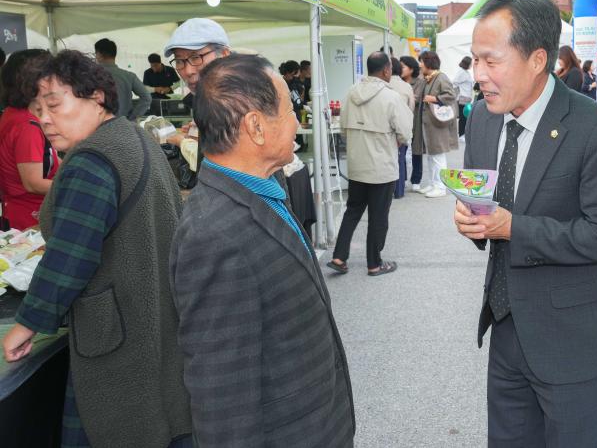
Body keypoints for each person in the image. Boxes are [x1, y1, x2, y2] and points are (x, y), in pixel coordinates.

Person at [454, 0, 597, 447]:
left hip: (576, 340)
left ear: (538, 59)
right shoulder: (481, 118)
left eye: (491, 62)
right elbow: (483, 202)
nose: (479, 76)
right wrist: (473, 221)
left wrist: (512, 227)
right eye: (474, 61)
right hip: (507, 326)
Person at [3, 50, 192, 447]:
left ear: (97, 98)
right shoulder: (131, 137)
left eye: (55, 104)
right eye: (38, 109)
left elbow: (70, 257)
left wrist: (28, 323)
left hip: (120, 327)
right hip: (152, 310)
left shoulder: (92, 160)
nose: (45, 118)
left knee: (118, 425)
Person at [170, 54, 353, 447]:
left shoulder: (265, 188)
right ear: (255, 126)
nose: (295, 121)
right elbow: (221, 395)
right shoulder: (213, 234)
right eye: (289, 109)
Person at [326, 52, 412, 276]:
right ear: (385, 70)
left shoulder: (351, 92)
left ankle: (339, 256)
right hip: (382, 167)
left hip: (357, 164)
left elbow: (343, 129)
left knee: (352, 211)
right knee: (378, 215)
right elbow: (405, 132)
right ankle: (374, 263)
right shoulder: (391, 97)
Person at [162, 18, 232, 174]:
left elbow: (220, 167)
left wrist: (183, 142)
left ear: (225, 55)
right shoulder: (209, 100)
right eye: (179, 61)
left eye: (196, 58)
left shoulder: (237, 102)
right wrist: (201, 138)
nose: (187, 71)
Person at [0, 49, 59, 230]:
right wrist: (74, 186)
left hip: (21, 210)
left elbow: (49, 157)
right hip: (29, 218)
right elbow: (33, 183)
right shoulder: (26, 125)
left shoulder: (15, 113)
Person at [413, 50, 458, 198]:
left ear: (428, 63)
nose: (420, 65)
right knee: (432, 156)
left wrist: (435, 98)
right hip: (430, 125)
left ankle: (440, 186)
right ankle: (433, 184)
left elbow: (451, 95)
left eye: (422, 62)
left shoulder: (441, 77)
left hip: (437, 125)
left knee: (438, 156)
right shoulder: (429, 78)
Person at [94, 38, 151, 120]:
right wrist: (132, 118)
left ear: (99, 54)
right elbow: (147, 98)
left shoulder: (91, 77)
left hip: (100, 126)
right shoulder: (129, 76)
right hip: (124, 124)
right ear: (114, 54)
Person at [388, 56, 415, 199]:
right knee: (400, 158)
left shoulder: (383, 86)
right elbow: (411, 108)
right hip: (402, 129)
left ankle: (386, 190)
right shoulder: (406, 86)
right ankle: (399, 191)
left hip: (385, 129)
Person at [400, 55, 426, 192]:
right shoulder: (399, 82)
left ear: (411, 69)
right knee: (401, 150)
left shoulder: (420, 82)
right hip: (402, 119)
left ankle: (416, 179)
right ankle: (402, 179)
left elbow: (416, 99)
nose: (400, 68)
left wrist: (402, 96)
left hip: (416, 119)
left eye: (403, 66)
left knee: (417, 150)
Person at [452, 56, 474, 138]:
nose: (471, 65)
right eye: (471, 63)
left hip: (467, 97)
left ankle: (463, 134)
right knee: (463, 117)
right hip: (463, 97)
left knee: (465, 116)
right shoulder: (462, 72)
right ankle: (461, 135)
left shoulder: (466, 72)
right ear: (467, 63)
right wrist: (459, 90)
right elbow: (454, 82)